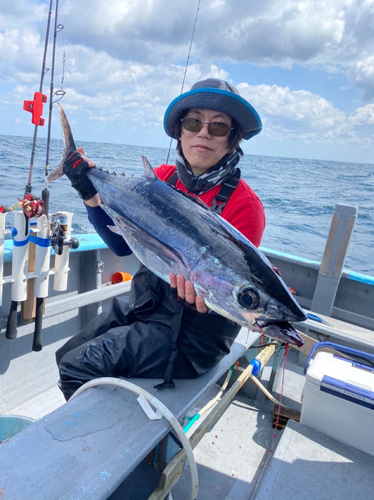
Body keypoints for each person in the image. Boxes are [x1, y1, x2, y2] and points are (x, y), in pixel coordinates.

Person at [56, 78, 266, 400]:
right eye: (194, 122)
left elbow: (232, 293)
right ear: (180, 132)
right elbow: (122, 246)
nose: (204, 132)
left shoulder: (244, 206)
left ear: (233, 139)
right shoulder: (162, 179)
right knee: (66, 353)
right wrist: (88, 191)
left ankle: (106, 445)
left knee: (76, 366)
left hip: (193, 338)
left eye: (219, 127)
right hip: (146, 307)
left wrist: (199, 301)